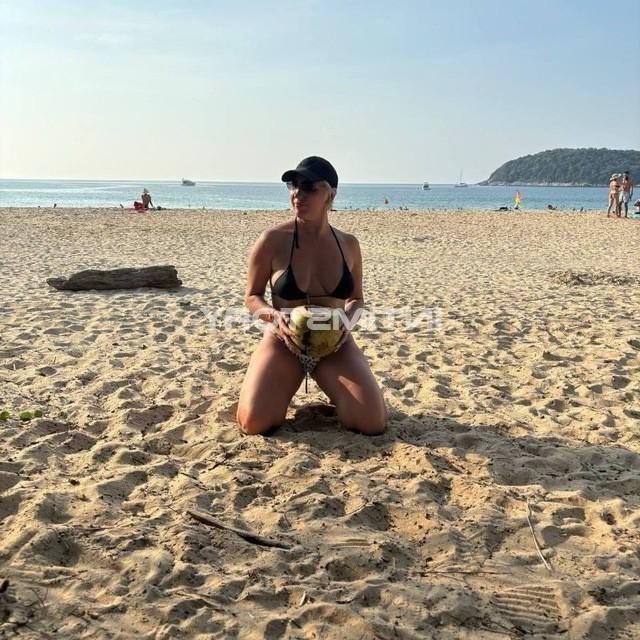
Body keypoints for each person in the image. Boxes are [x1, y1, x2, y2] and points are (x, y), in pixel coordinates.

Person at [236, 156, 387, 436]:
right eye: (293, 186)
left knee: (372, 423)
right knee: (254, 423)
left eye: (309, 187)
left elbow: (357, 299)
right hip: (284, 342)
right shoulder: (272, 240)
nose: (298, 194)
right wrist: (274, 317)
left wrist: (347, 322)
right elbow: (252, 296)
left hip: (335, 345)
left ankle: (340, 390)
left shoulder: (348, 244)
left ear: (331, 194)